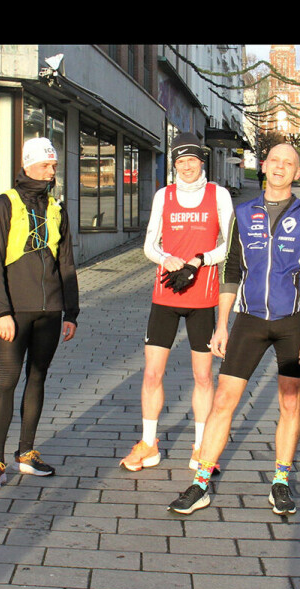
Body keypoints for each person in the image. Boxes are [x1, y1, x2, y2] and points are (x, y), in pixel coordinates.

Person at [168, 143, 300, 516]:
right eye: (275, 161)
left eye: (289, 163)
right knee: (224, 400)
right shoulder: (243, 213)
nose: (280, 167)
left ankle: (281, 481)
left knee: (290, 400)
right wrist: (222, 324)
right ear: (264, 166)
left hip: (294, 320)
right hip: (249, 319)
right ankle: (200, 483)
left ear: (297, 172)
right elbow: (231, 270)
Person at [120, 133, 233, 472]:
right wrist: (166, 258)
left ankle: (201, 448)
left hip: (203, 297)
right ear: (174, 164)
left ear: (202, 161)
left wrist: (200, 260)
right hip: (165, 295)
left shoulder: (218, 194)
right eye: (180, 161)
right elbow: (149, 245)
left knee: (203, 376)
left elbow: (231, 243)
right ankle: (149, 444)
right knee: (152, 372)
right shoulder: (164, 195)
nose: (186, 167)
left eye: (191, 160)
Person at [0, 137, 79, 489]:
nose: (51, 172)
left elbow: (66, 263)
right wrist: (1, 311)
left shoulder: (56, 208)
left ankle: (26, 453)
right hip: (15, 311)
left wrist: (71, 312)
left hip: (50, 310)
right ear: (27, 166)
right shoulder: (3, 204)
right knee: (7, 380)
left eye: (54, 166)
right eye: (45, 166)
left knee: (37, 378)